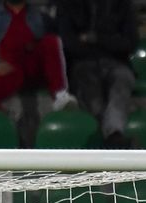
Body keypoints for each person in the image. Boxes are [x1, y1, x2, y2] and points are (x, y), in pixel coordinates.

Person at [55, 0, 138, 148]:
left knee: (122, 80)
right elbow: (68, 44)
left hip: (117, 63)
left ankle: (113, 138)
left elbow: (130, 43)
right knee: (93, 97)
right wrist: (109, 43)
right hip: (83, 64)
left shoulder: (122, 4)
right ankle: (114, 137)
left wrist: (95, 39)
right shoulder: (67, 4)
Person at [0, 0, 76, 113]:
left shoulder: (39, 16)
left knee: (51, 41)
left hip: (32, 66)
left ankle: (60, 95)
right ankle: (5, 119)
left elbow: (55, 48)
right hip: (6, 67)